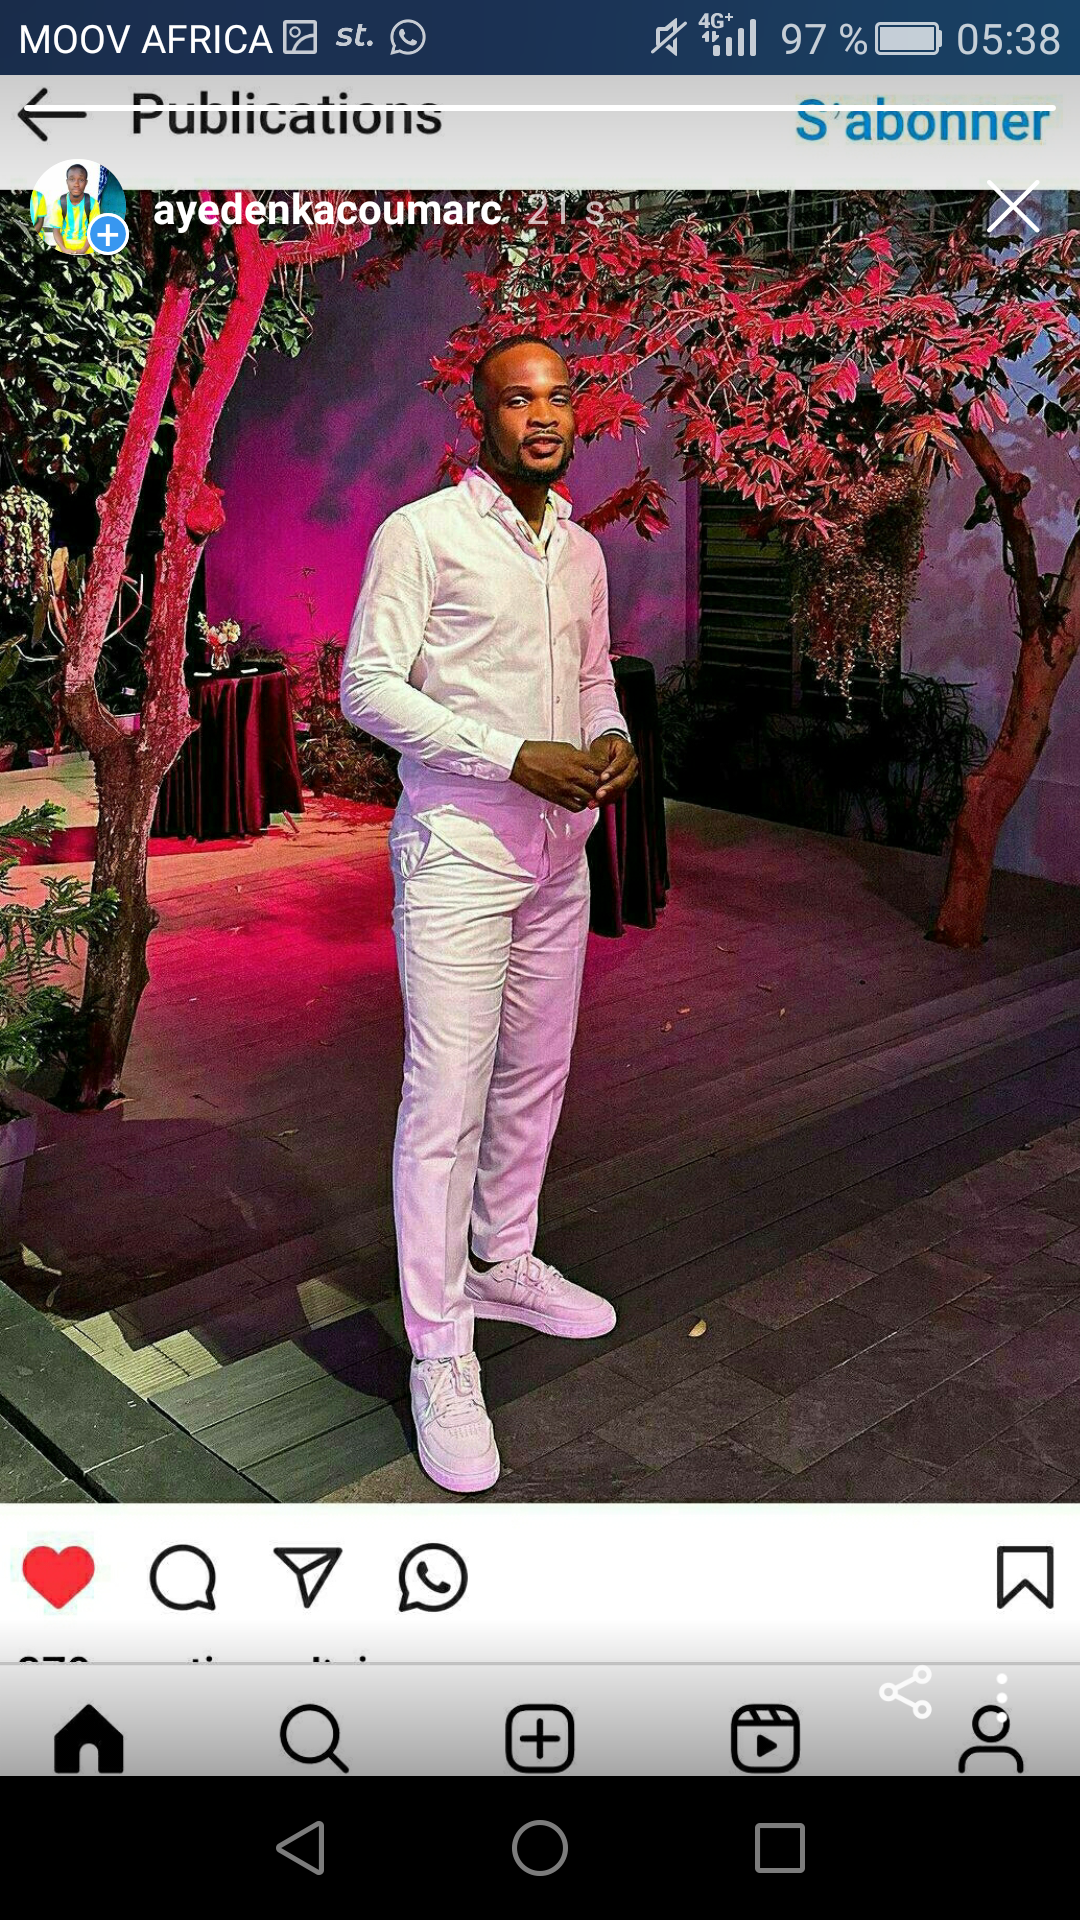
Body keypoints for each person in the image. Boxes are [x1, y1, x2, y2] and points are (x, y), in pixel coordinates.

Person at [341, 335, 639, 1493]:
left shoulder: (583, 549)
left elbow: (594, 676)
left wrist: (609, 737)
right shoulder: (421, 534)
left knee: (535, 1073)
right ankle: (440, 1350)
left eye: (560, 396)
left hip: (560, 853)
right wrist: (512, 754)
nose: (545, 415)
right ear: (482, 414)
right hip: (460, 853)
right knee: (446, 1102)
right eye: (520, 399)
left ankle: (503, 1260)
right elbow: (369, 687)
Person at [46, 164, 100, 255]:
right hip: (63, 247)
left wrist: (83, 250)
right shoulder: (59, 203)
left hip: (87, 249)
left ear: (86, 182)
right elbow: (56, 230)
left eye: (81, 180)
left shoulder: (92, 203)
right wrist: (64, 249)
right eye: (72, 179)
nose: (76, 184)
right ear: (67, 182)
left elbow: (94, 230)